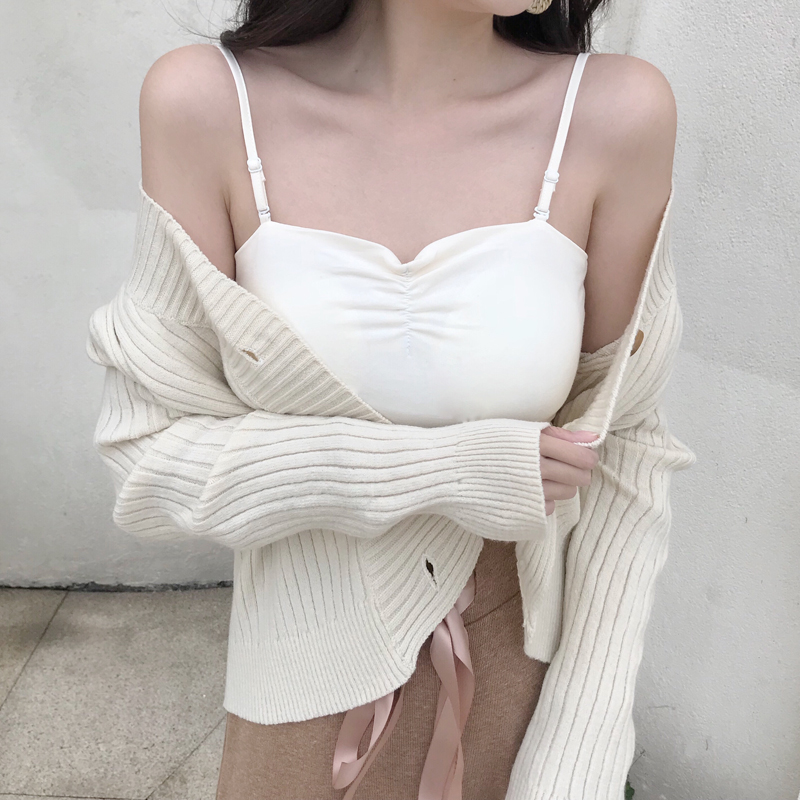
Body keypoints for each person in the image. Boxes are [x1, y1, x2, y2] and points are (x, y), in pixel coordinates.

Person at [86, 0, 696, 798]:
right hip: (296, 699)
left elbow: (624, 453)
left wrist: (577, 764)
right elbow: (146, 456)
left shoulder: (615, 115)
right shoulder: (206, 105)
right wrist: (443, 470)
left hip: (517, 690)